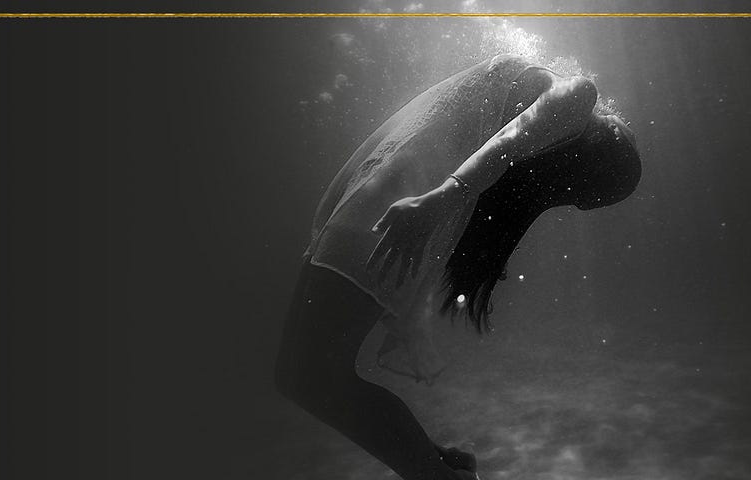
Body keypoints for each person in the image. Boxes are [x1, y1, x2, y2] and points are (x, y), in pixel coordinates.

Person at [274, 53, 642, 480]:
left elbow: (506, 141)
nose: (626, 128)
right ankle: (437, 466)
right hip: (398, 195)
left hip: (398, 200)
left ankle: (434, 470)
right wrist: (439, 198)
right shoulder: (567, 100)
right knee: (305, 375)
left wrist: (438, 199)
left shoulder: (571, 98)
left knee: (307, 376)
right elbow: (502, 141)